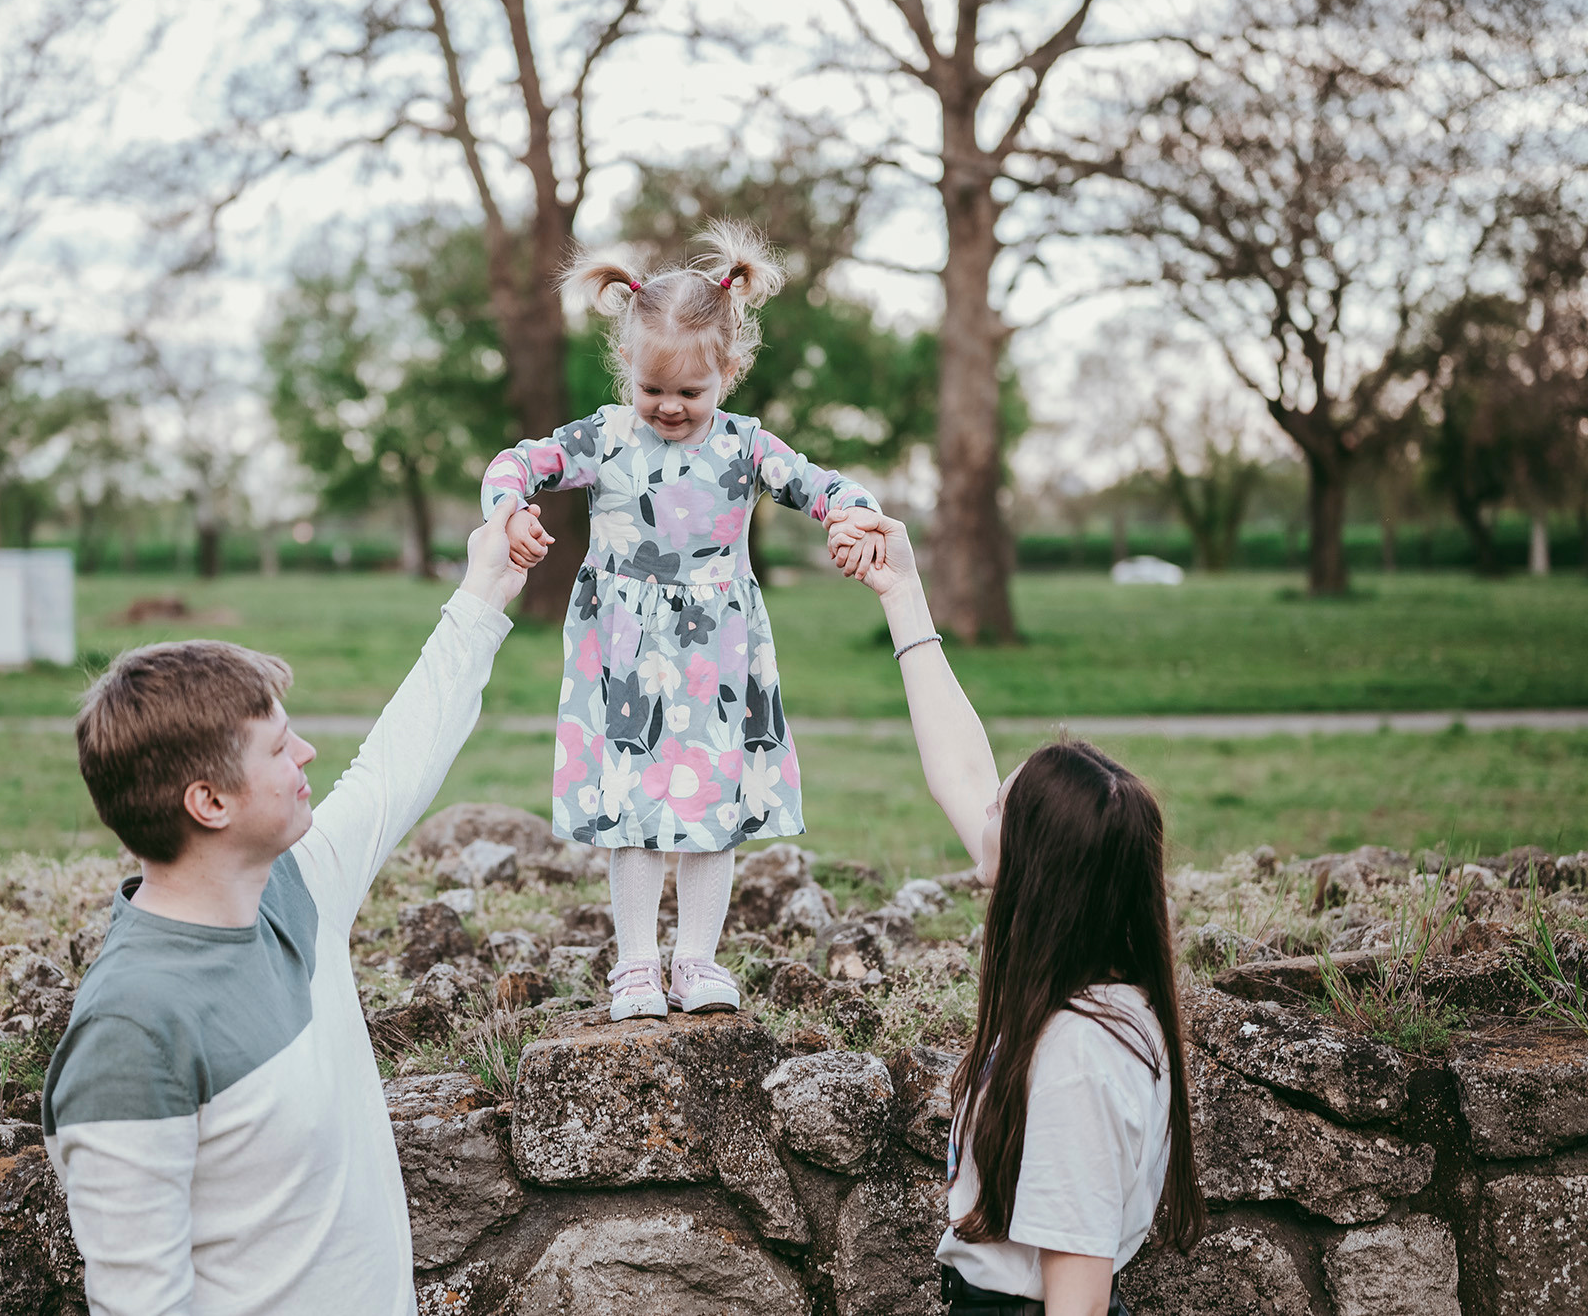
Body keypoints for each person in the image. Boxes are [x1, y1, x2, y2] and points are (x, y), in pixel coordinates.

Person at [39, 510, 527, 1316]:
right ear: (210, 801)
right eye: (277, 746)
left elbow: (395, 764)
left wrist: (486, 588)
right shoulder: (132, 1031)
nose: (306, 754)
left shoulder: (293, 890)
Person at [485, 220, 887, 1022]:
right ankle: (636, 964)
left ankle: (696, 960)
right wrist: (508, 510)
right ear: (625, 367)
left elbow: (825, 485)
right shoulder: (604, 437)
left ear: (728, 372)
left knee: (711, 807)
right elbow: (516, 463)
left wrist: (851, 519)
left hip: (717, 652)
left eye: (690, 393)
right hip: (623, 649)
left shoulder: (746, 448)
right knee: (633, 803)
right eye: (652, 389)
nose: (669, 407)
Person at [827, 512, 1205, 1316]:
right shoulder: (1094, 985)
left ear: (1036, 870)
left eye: (1001, 804)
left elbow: (1076, 1299)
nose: (982, 802)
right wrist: (903, 594)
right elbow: (957, 771)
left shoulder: (1077, 1057)